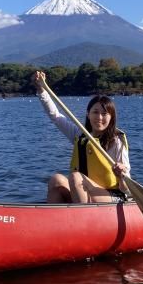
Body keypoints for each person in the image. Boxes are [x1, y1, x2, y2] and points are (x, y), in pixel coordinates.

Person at [32, 71, 131, 203]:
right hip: (84, 192)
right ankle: (55, 220)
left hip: (112, 196)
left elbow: (126, 189)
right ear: (88, 114)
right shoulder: (80, 135)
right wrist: (41, 89)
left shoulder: (116, 141)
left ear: (111, 118)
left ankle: (82, 219)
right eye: (95, 112)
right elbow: (55, 116)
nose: (99, 117)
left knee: (75, 177)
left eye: (104, 113)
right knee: (56, 180)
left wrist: (122, 175)